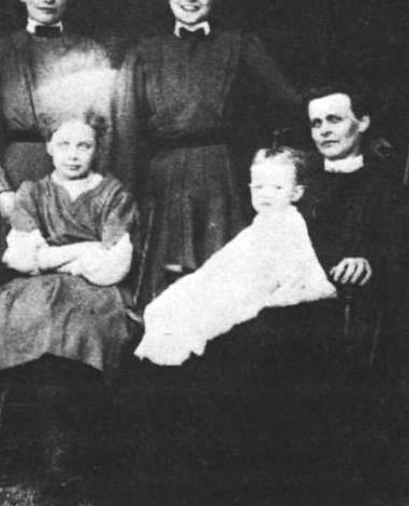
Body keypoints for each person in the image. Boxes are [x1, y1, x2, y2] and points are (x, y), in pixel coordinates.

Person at [0, 116, 137, 497]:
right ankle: (15, 452)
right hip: (35, 288)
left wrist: (50, 256)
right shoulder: (32, 192)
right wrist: (81, 250)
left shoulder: (113, 194)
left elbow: (113, 266)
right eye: (65, 145)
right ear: (50, 148)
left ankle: (64, 463)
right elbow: (21, 257)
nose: (73, 155)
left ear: (96, 150)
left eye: (84, 146)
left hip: (93, 292)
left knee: (70, 330)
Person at [112, 0, 301, 307]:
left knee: (223, 286)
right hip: (163, 181)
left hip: (220, 176)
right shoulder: (144, 52)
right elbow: (125, 132)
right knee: (163, 288)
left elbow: (290, 100)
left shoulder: (238, 45)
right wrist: (123, 201)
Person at [0, 0, 112, 285]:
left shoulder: (91, 52)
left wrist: (93, 189)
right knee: (9, 270)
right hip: (18, 174)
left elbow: (105, 128)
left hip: (75, 174)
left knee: (71, 271)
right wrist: (1, 192)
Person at [134, 147, 335, 366]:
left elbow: (296, 269)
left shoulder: (290, 224)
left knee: (200, 316)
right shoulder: (261, 223)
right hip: (235, 282)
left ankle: (171, 356)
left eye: (277, 187)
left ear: (296, 192)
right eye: (258, 187)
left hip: (253, 289)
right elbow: (224, 262)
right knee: (169, 302)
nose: (265, 194)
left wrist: (275, 294)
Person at [302, 85, 395, 286]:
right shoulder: (297, 184)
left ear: (362, 122)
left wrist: (367, 261)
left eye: (334, 120)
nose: (324, 131)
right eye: (316, 124)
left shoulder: (385, 188)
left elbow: (395, 251)